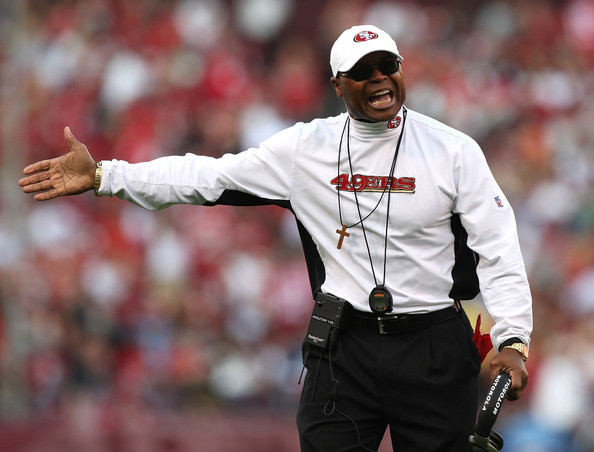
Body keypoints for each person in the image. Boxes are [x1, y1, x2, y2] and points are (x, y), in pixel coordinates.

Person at [19, 24, 532, 452]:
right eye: (362, 71)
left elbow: (497, 243)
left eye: (387, 66)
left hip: (433, 345)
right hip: (344, 346)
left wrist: (513, 338)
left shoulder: (454, 150)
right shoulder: (305, 148)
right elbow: (207, 177)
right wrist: (106, 176)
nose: (379, 79)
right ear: (337, 84)